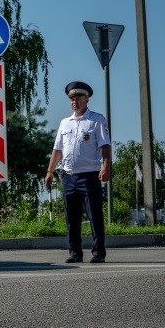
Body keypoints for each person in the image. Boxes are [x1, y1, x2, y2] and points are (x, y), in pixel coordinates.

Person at [44, 81, 111, 264]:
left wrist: (106, 166)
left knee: (94, 215)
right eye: (72, 98)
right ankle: (75, 252)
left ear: (86, 99)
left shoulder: (96, 120)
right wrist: (50, 171)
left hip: (90, 175)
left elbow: (105, 145)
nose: (75, 101)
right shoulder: (65, 123)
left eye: (78, 97)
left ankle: (98, 252)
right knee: (71, 218)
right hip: (68, 177)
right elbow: (57, 149)